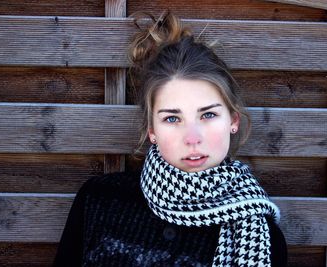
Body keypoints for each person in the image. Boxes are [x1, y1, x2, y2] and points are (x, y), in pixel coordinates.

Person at [54, 11, 287, 267]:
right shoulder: (98, 200)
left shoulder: (260, 234)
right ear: (152, 130)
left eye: (208, 114)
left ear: (233, 121)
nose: (192, 138)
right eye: (172, 119)